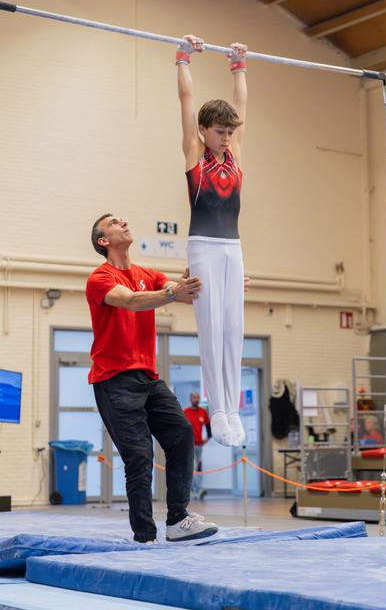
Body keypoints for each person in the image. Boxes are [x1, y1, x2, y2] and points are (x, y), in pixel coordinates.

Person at [86, 213, 218, 543]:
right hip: (114, 379)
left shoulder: (149, 274)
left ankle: (177, 519)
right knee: (139, 456)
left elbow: (181, 290)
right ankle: (145, 536)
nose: (123, 221)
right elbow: (130, 301)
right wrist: (174, 294)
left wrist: (219, 285)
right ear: (104, 241)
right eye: (114, 222)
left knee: (181, 433)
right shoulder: (100, 278)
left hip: (148, 378)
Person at [176, 34, 248, 447]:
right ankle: (216, 408)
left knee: (234, 326)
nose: (224, 137)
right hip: (202, 243)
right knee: (212, 325)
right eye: (219, 132)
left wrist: (238, 67)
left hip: (233, 247)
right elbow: (186, 100)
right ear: (203, 131)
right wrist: (183, 58)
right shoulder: (194, 153)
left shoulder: (235, 153)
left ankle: (232, 409)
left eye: (228, 132)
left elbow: (241, 107)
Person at [184, 392, 211, 500]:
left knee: (198, 468)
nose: (197, 399)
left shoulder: (203, 412)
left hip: (200, 445)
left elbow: (208, 426)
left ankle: (194, 490)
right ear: (190, 399)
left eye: (198, 397)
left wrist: (207, 438)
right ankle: (198, 489)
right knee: (193, 467)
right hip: (189, 445)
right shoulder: (185, 412)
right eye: (194, 397)